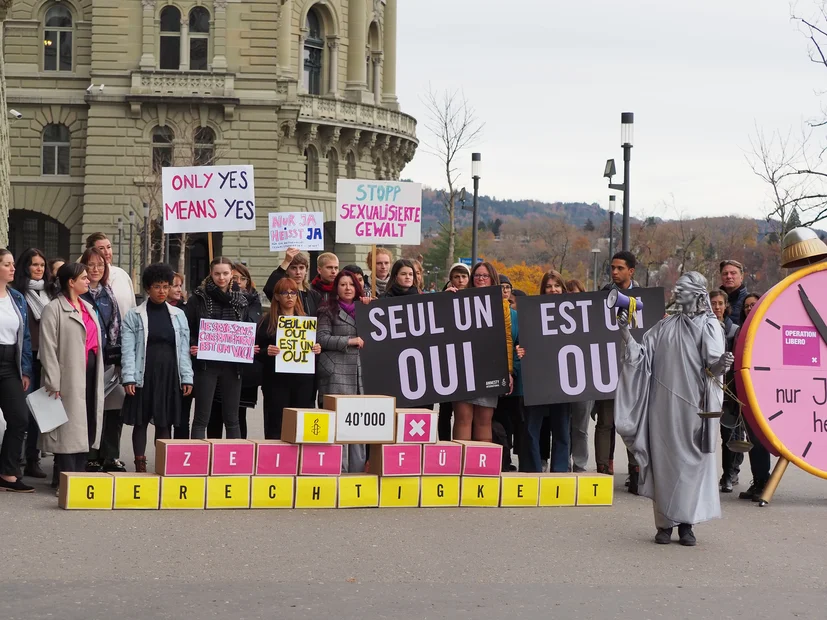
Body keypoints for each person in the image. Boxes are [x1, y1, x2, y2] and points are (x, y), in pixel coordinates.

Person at [615, 272, 731, 546]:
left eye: (684, 290)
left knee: (691, 465)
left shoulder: (710, 326)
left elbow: (712, 368)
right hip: (662, 408)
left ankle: (687, 525)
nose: (678, 295)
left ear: (698, 294)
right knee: (665, 463)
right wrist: (625, 331)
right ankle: (665, 524)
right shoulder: (664, 327)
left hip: (694, 407)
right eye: (677, 290)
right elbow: (641, 358)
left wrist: (722, 364)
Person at [121, 264, 193, 472]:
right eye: (157, 286)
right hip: (143, 373)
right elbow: (128, 350)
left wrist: (187, 377)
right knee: (141, 421)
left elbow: (183, 349)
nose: (162, 291)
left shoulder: (179, 315)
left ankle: (163, 463)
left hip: (169, 374)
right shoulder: (134, 315)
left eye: (165, 286)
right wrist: (129, 378)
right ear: (147, 288)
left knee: (165, 421)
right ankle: (140, 463)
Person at [40, 263, 105, 485]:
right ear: (71, 282)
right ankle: (66, 479)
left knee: (85, 423)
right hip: (67, 377)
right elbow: (47, 348)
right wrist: (53, 381)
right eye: (84, 278)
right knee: (68, 429)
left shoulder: (87, 306)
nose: (88, 281)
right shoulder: (53, 309)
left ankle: (79, 476)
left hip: (90, 374)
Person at [185, 257, 253, 440]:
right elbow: (188, 327)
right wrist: (194, 344)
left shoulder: (242, 300)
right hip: (206, 365)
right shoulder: (198, 298)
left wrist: (249, 345)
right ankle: (198, 459)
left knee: (232, 418)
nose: (221, 277)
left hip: (233, 366)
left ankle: (234, 462)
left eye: (225, 273)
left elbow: (246, 326)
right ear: (210, 273)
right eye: (217, 273)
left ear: (232, 274)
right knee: (201, 417)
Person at [593, 251, 640, 488]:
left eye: (620, 268)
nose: (614, 272)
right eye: (612, 267)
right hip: (608, 366)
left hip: (634, 369)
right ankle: (603, 469)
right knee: (606, 421)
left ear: (631, 271)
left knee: (633, 422)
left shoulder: (644, 298)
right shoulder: (602, 295)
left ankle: (636, 470)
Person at [515, 270, 570, 472]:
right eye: (548, 286)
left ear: (563, 288)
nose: (553, 289)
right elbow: (522, 342)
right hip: (536, 378)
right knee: (531, 427)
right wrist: (520, 350)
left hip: (563, 379)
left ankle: (560, 471)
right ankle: (532, 470)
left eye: (556, 285)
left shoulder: (574, 313)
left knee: (561, 428)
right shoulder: (532, 312)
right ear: (543, 289)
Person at [452, 262, 513, 443]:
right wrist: (446, 298)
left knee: (484, 421)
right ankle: (460, 468)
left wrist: (508, 371)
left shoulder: (502, 305)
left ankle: (480, 468)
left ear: (492, 278)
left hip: (489, 367)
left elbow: (507, 338)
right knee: (463, 418)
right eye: (477, 275)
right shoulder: (459, 298)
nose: (480, 279)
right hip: (463, 367)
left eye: (485, 276)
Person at [256, 277, 322, 439]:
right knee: (276, 424)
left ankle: (299, 461)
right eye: (285, 293)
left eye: (293, 293)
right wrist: (266, 352)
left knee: (300, 425)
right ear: (277, 296)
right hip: (276, 382)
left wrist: (317, 349)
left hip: (303, 382)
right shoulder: (267, 322)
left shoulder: (307, 322)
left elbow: (316, 351)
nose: (290, 296)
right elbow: (256, 351)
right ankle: (276, 461)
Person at [79, 247, 126, 473]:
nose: (95, 269)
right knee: (89, 407)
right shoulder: (78, 292)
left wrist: (116, 359)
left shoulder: (109, 294)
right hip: (86, 360)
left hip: (108, 360)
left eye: (100, 265)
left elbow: (115, 326)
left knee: (114, 406)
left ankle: (110, 454)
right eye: (91, 265)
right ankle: (90, 455)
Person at [317, 270, 366, 472]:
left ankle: (357, 470)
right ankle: (338, 470)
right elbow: (321, 338)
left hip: (360, 374)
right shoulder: (327, 309)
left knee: (358, 426)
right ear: (336, 287)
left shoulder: (366, 308)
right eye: (343, 284)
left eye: (351, 284)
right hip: (335, 372)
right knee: (338, 424)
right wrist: (349, 341)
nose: (347, 288)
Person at [207, 263, 262, 439]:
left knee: (238, 415)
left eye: (242, 278)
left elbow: (251, 324)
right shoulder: (214, 298)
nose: (237, 281)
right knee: (214, 413)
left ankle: (238, 455)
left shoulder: (252, 300)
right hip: (217, 364)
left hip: (241, 368)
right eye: (235, 277)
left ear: (248, 281)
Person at [13, 248, 53, 479]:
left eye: (41, 265)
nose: (39, 269)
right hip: (24, 358)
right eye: (34, 264)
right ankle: (15, 458)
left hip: (45, 358)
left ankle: (33, 459)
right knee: (22, 412)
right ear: (25, 267)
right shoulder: (16, 293)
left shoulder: (51, 292)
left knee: (41, 411)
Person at [0, 249, 35, 492]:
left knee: (20, 417)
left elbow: (26, 337)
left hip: (9, 363)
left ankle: (7, 473)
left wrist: (25, 370)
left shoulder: (16, 298)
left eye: (13, 264)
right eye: (7, 264)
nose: (13, 268)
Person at [735, 293, 772, 501]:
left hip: (762, 391)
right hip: (744, 392)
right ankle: (758, 481)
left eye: (754, 305)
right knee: (752, 439)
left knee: (758, 439)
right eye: (747, 306)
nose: (750, 308)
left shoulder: (766, 328)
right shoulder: (741, 330)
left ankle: (764, 482)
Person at [710, 289, 743, 492]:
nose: (717, 307)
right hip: (707, 386)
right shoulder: (701, 328)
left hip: (728, 390)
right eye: (713, 303)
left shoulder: (734, 331)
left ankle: (728, 475)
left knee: (729, 434)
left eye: (720, 303)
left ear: (726, 306)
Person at [438, 262, 472, 440]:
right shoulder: (442, 297)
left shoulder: (476, 299)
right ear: (451, 279)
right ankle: (443, 443)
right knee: (445, 411)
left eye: (464, 276)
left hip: (466, 363)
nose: (460, 280)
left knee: (464, 412)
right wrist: (443, 299)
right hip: (446, 362)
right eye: (456, 277)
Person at [566, 278, 593, 473]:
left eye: (575, 294)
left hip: (585, 380)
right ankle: (562, 461)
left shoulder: (591, 319)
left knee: (581, 426)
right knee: (562, 425)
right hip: (560, 380)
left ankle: (580, 463)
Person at [165, 272, 191, 439]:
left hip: (183, 369)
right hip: (166, 369)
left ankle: (181, 454)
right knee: (164, 418)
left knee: (183, 418)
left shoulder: (186, 309)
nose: (178, 289)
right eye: (175, 285)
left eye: (180, 285)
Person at [86, 233, 136, 319]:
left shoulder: (122, 275)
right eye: (101, 248)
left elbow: (133, 308)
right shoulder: (85, 278)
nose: (107, 252)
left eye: (109, 247)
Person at [263, 247, 320, 314]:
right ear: (287, 270)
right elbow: (269, 288)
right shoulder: (282, 292)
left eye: (301, 268)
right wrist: (286, 261)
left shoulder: (314, 296)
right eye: (293, 268)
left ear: (306, 270)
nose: (298, 272)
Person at [720, 260, 748, 326]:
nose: (729, 277)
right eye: (725, 273)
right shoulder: (712, 301)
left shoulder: (749, 302)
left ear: (742, 277)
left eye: (733, 273)